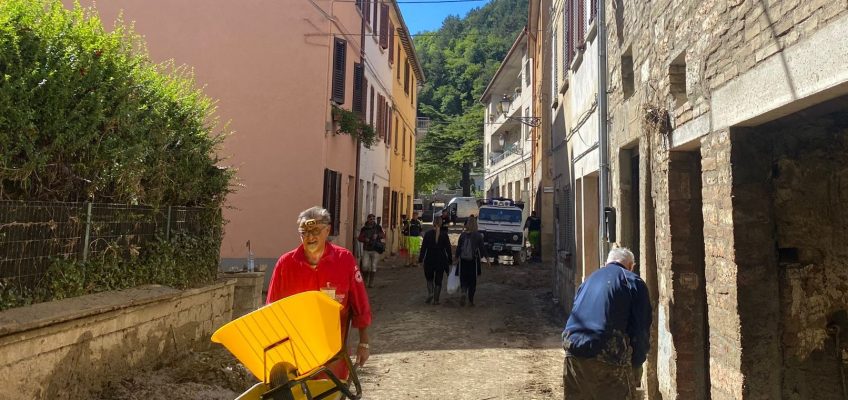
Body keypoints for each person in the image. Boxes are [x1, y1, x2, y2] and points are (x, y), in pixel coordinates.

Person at [266, 206, 372, 379]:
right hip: (296, 353)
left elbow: (360, 305)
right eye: (304, 232)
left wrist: (364, 343)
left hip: (333, 353)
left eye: (315, 231)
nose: (310, 237)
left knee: (329, 393)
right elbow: (272, 309)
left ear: (327, 230)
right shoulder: (285, 264)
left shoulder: (344, 260)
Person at [561, 247, 651, 399]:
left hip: (573, 350)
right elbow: (641, 327)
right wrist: (638, 362)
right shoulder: (632, 281)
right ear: (631, 266)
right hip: (607, 353)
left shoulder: (588, 281)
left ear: (606, 263)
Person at [454, 216, 488, 306]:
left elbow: (458, 248)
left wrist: (456, 258)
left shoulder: (462, 235)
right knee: (472, 282)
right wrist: (487, 259)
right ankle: (471, 301)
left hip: (463, 261)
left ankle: (464, 292)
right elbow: (482, 249)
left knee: (463, 279)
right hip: (473, 261)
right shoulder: (478, 236)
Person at [418, 217, 452, 305]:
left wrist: (420, 259)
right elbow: (448, 249)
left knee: (429, 279)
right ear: (441, 224)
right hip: (441, 259)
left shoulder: (428, 234)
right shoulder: (444, 235)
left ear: (433, 223)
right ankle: (436, 300)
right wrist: (450, 260)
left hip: (429, 258)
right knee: (438, 280)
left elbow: (423, 248)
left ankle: (430, 293)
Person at [357, 213, 385, 288]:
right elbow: (359, 238)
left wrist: (378, 235)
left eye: (373, 219)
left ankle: (371, 282)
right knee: (364, 266)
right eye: (370, 219)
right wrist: (364, 239)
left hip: (375, 249)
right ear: (368, 219)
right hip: (366, 249)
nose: (372, 220)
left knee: (373, 266)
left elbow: (383, 235)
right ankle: (365, 279)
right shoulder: (364, 228)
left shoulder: (378, 227)